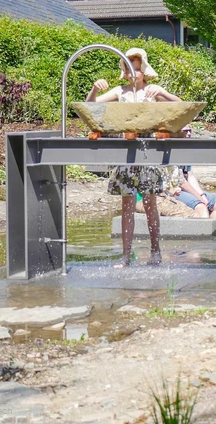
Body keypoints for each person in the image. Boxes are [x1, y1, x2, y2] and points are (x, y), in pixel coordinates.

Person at [86, 48, 182, 267]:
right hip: (126, 154)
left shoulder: (152, 90)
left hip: (148, 153)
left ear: (144, 71)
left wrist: (163, 93)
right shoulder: (120, 91)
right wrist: (94, 88)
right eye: (129, 69)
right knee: (127, 204)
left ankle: (155, 251)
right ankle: (126, 255)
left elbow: (179, 105)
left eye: (136, 69)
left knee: (150, 203)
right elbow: (91, 106)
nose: (132, 74)